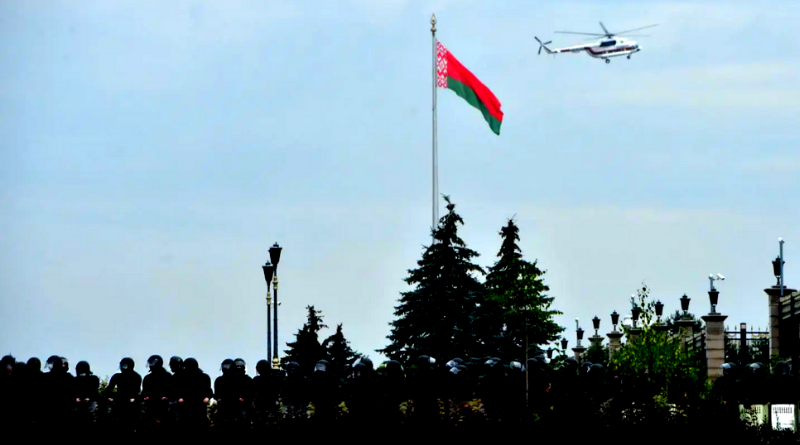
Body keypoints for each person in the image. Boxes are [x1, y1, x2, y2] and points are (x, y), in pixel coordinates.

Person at [105, 357, 142, 431]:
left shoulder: (136, 376)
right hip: (118, 400)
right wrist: (109, 396)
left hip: (130, 401)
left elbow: (137, 390)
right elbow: (109, 389)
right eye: (122, 365)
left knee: (136, 414)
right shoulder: (117, 376)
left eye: (125, 365)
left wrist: (133, 398)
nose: (123, 367)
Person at [142, 355, 172, 428]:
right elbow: (144, 392)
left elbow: (172, 390)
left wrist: (166, 397)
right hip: (150, 405)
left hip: (164, 406)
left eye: (152, 363)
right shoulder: (147, 378)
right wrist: (144, 397)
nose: (151, 366)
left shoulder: (167, 376)